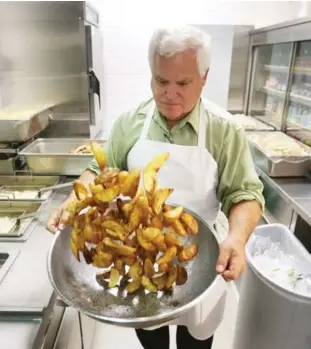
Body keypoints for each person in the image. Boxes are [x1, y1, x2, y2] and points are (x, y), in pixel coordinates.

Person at [46, 25, 264, 349]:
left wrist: (237, 237)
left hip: (202, 260)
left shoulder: (224, 131)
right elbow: (99, 170)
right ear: (151, 75)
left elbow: (244, 193)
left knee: (197, 340)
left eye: (183, 83)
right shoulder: (129, 123)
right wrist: (75, 200)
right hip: (140, 256)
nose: (169, 93)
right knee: (151, 334)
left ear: (204, 78)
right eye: (161, 81)